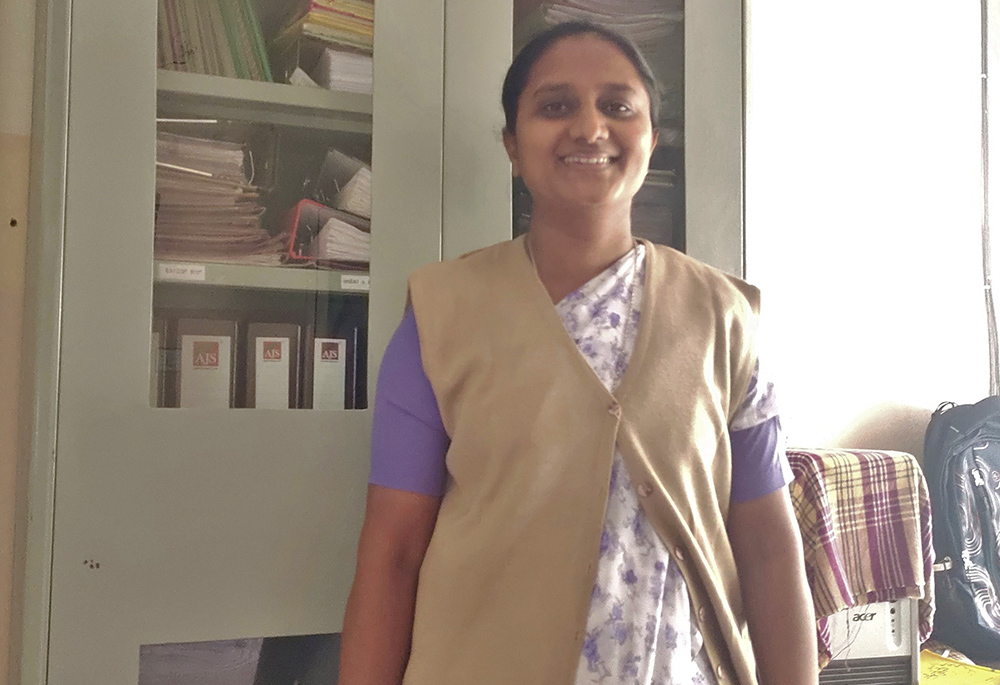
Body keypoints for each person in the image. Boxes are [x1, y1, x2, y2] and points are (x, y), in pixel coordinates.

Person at [339, 21, 818, 685]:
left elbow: (767, 545)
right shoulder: (441, 315)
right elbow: (392, 551)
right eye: (555, 106)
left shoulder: (724, 318)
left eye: (618, 106)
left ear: (651, 137)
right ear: (512, 143)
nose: (590, 128)